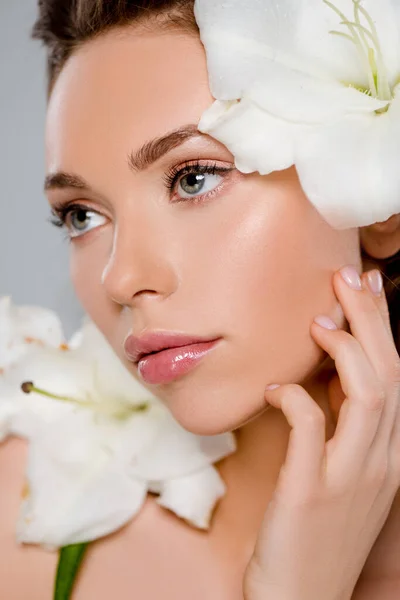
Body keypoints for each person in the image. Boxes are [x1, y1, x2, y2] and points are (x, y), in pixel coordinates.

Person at [0, 0, 399, 598]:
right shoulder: (19, 509)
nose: (119, 278)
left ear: (379, 201)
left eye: (194, 178)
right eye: (81, 215)